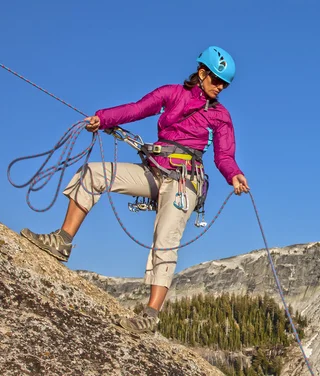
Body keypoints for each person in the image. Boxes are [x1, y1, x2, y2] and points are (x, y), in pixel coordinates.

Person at [20, 45, 250, 333]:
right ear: (202, 73)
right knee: (93, 173)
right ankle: (62, 242)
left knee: (166, 237)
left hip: (184, 182)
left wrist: (235, 175)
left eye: (224, 83)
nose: (220, 86)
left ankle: (150, 316)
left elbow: (224, 155)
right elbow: (137, 109)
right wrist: (103, 118)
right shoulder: (171, 94)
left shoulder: (221, 115)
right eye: (216, 79)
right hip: (154, 172)